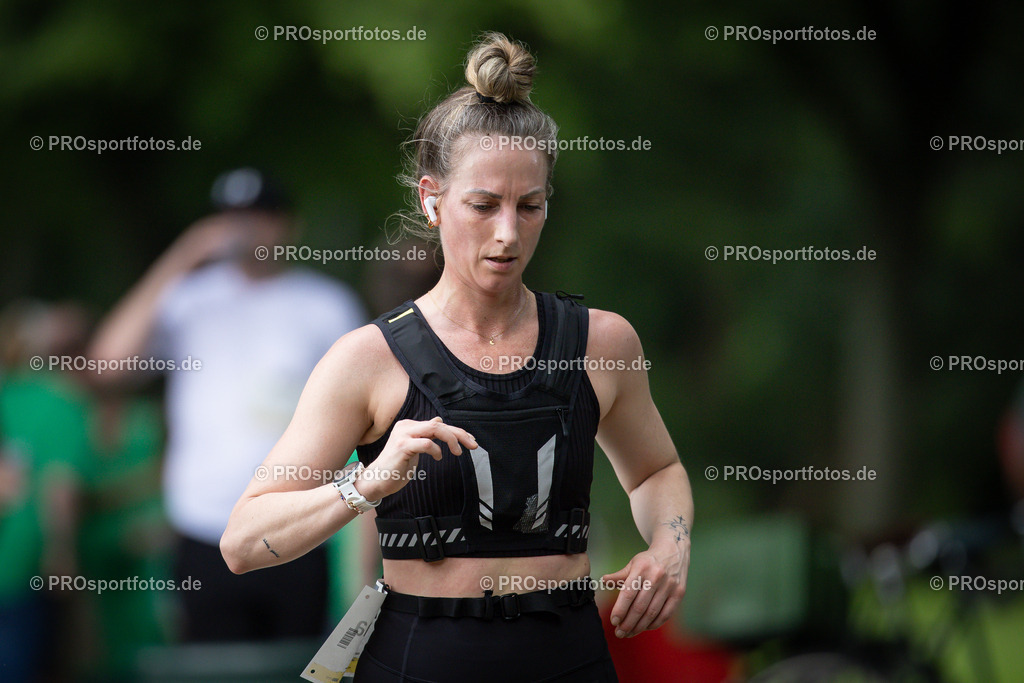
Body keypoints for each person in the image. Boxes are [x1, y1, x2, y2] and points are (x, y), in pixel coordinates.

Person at [221, 33, 692, 682]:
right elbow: (243, 540)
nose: (507, 232)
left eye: (530, 206)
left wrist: (670, 548)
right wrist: (364, 484)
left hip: (569, 655)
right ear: (431, 198)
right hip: (421, 656)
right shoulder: (367, 360)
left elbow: (654, 470)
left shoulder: (602, 343)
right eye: (483, 205)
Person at [89, 169, 366, 642]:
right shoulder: (186, 298)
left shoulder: (325, 304)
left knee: (294, 667)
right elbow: (107, 365)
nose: (246, 230)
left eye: (260, 216)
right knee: (211, 668)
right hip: (203, 528)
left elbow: (362, 408)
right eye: (233, 217)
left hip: (295, 525)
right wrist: (181, 257)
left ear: (287, 224)